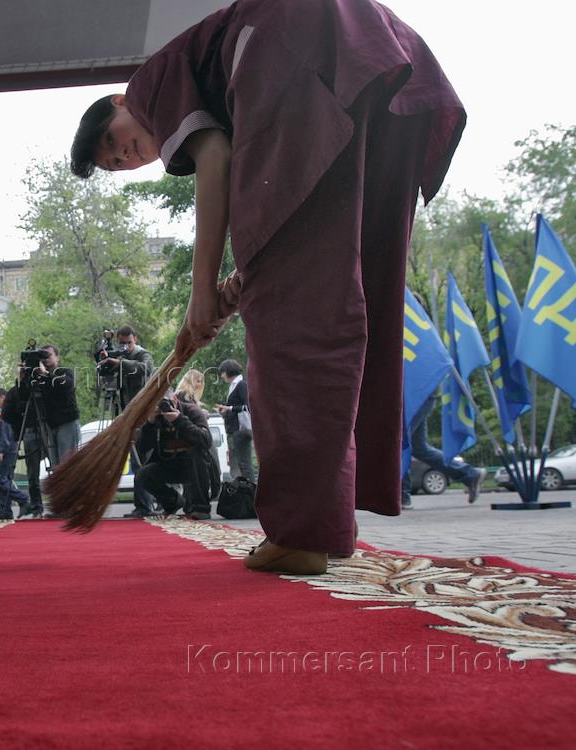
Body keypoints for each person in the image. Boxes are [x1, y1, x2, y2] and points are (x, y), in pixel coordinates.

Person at [70, 0, 464, 574]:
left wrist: (201, 291)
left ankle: (302, 531)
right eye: (114, 164)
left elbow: (216, 156)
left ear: (117, 103)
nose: (122, 155)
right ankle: (324, 522)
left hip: (296, 49)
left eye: (111, 141)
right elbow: (299, 234)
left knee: (290, 322)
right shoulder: (210, 95)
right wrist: (243, 278)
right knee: (345, 292)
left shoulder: (148, 84)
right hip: (378, 63)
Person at [16, 344, 80, 518]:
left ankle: (72, 506)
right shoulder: (37, 378)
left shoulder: (64, 372)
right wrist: (22, 378)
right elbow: (23, 398)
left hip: (67, 422)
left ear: (57, 357)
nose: (45, 359)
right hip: (50, 425)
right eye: (42, 356)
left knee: (67, 465)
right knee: (57, 467)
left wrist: (46, 374)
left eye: (48, 355)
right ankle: (61, 507)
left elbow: (66, 386)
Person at [133, 390, 216, 520]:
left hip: (196, 465)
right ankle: (172, 502)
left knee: (195, 453)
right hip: (170, 464)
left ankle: (201, 507)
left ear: (175, 400)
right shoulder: (157, 418)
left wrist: (179, 420)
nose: (163, 407)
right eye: (159, 404)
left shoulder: (192, 411)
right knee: (143, 474)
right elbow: (141, 448)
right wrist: (150, 423)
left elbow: (205, 441)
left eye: (166, 402)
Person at [400, 393, 483, 508]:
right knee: (419, 448)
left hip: (414, 396)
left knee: (400, 445)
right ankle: (469, 474)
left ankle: (402, 497)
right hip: (421, 395)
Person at [0, 388, 29, 520]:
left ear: (2, 397)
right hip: (11, 450)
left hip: (6, 452)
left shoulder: (6, 414)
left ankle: (23, 498)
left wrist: (0, 451)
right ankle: (5, 511)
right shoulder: (11, 412)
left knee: (0, 480)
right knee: (4, 480)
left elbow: (5, 435)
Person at [215, 359, 255, 481]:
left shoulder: (241, 385)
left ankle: (251, 489)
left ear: (229, 371)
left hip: (240, 430)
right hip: (234, 430)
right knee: (237, 464)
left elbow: (248, 406)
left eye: (223, 372)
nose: (222, 376)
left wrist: (229, 408)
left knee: (244, 464)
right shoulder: (233, 386)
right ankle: (243, 489)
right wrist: (225, 411)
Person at [98, 325, 153, 410]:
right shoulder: (119, 354)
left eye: (129, 342)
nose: (126, 346)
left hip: (143, 403)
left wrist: (121, 363)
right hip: (126, 405)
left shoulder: (143, 354)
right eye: (122, 343)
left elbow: (147, 368)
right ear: (118, 341)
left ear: (135, 339)